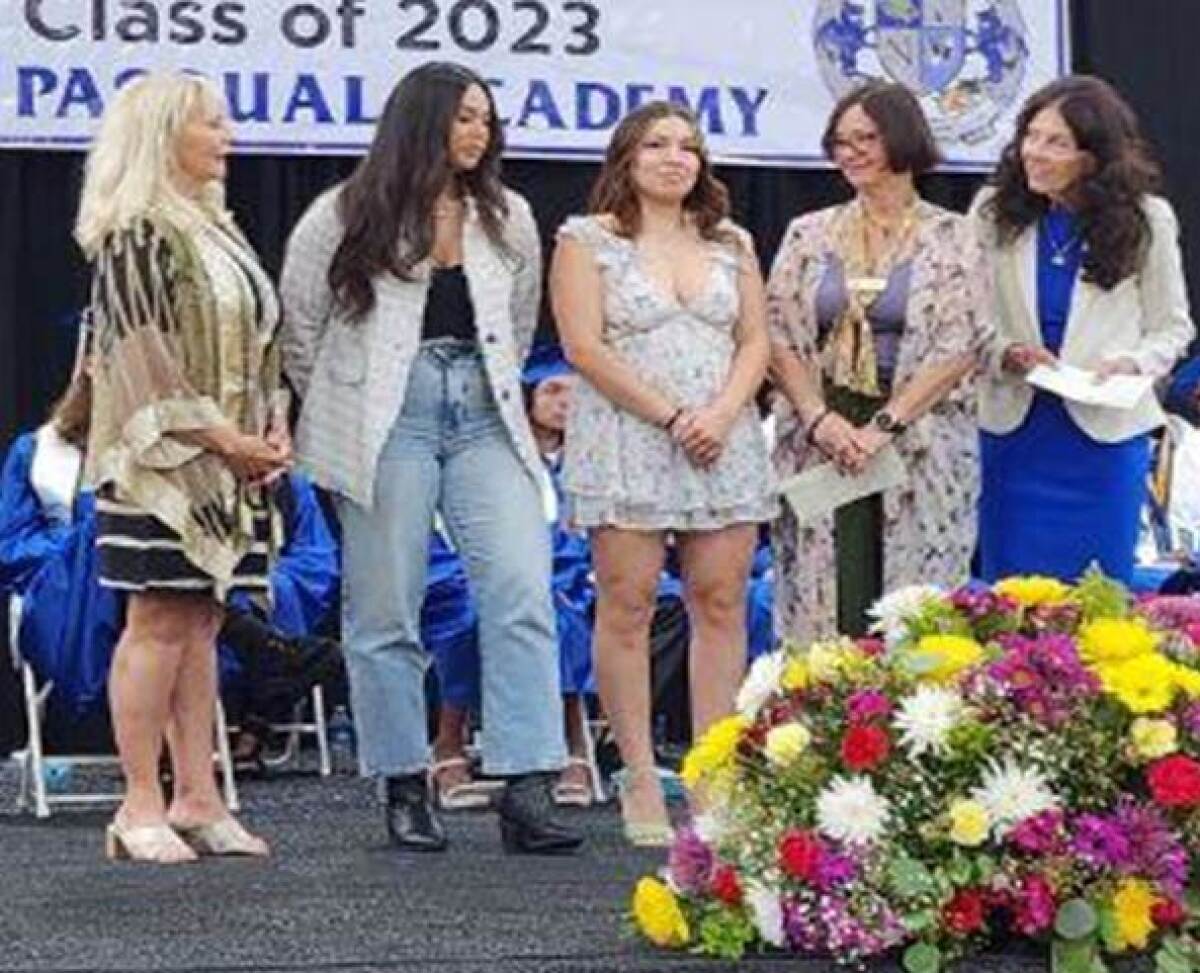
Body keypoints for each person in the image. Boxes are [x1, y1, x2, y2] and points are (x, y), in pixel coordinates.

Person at [280, 62, 581, 855]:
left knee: (521, 588)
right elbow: (301, 330)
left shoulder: (507, 214)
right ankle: (405, 780)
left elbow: (516, 324)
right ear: (421, 122)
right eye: (462, 118)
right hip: (388, 415)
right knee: (386, 608)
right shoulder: (343, 212)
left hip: (483, 406)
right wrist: (347, 408)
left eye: (485, 118)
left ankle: (527, 783)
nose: (478, 133)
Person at [551, 101, 777, 846]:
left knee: (720, 602)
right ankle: (641, 774)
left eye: (688, 146)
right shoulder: (587, 241)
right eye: (657, 144)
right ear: (627, 156)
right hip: (628, 437)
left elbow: (755, 341)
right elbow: (584, 347)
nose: (675, 157)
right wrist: (674, 417)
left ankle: (714, 774)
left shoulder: (732, 241)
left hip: (723, 436)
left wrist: (720, 413)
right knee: (629, 605)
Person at [77, 73, 290, 862]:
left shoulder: (217, 228)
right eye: (211, 124)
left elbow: (264, 342)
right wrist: (223, 440)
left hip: (231, 466)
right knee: (158, 621)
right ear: (164, 134)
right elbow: (140, 365)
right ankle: (137, 803)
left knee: (201, 624)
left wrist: (272, 426)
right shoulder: (137, 231)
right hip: (158, 467)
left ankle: (198, 795)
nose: (227, 136)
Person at [0, 363, 341, 770]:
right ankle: (258, 648)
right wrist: (77, 549)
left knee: (172, 559)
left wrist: (267, 583)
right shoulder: (39, 451)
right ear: (89, 370)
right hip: (68, 610)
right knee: (114, 529)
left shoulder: (224, 462)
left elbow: (313, 559)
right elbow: (11, 546)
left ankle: (243, 649)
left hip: (192, 603)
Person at [767, 81, 990, 645]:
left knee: (912, 610)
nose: (851, 152)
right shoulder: (808, 233)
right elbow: (777, 336)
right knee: (824, 593)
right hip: (823, 435)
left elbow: (961, 344)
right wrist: (819, 418)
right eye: (840, 141)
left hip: (917, 437)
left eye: (866, 137)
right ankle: (822, 723)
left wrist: (885, 426)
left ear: (903, 138)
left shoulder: (954, 235)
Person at [974, 74, 1194, 584]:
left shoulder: (1147, 219)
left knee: (1096, 596)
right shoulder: (992, 213)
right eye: (1030, 136)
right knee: (1010, 599)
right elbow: (969, 318)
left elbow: (1171, 327)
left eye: (1056, 142)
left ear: (1093, 157)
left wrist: (1131, 364)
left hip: (1104, 438)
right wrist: (1007, 352)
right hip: (1014, 432)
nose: (1034, 152)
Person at [428, 345, 597, 809]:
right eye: (554, 389)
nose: (566, 403)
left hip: (569, 586)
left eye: (575, 393)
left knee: (560, 617)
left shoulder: (594, 464)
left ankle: (573, 748)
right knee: (466, 618)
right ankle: (448, 743)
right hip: (473, 581)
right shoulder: (495, 461)